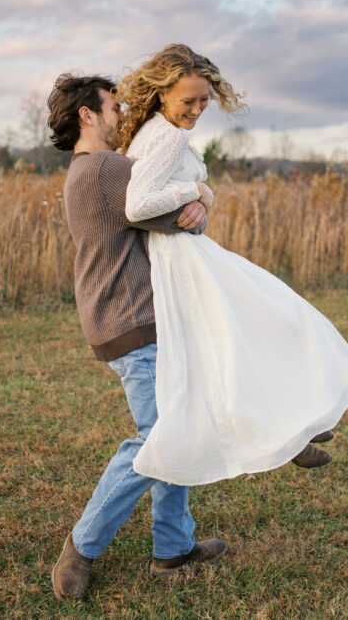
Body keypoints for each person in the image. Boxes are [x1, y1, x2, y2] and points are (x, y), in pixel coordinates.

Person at [116, 43, 348, 486]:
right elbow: (137, 205)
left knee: (248, 334)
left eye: (203, 100)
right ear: (163, 93)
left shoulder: (150, 130)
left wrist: (196, 198)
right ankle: (290, 428)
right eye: (187, 100)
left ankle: (296, 424)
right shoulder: (168, 137)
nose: (195, 109)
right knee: (271, 322)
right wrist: (196, 192)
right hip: (181, 259)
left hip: (179, 250)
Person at [46, 73, 227, 601]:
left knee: (176, 427)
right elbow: (175, 215)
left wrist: (193, 205)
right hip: (128, 321)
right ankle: (80, 549)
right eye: (113, 106)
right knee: (158, 437)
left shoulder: (86, 170)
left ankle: (173, 546)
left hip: (128, 318)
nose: (122, 114)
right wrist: (201, 193)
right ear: (88, 114)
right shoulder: (106, 168)